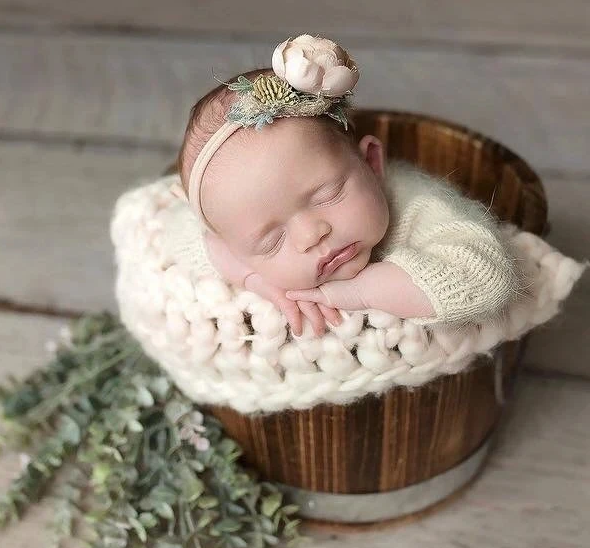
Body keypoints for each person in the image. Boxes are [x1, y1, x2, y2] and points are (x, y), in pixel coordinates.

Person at [166, 34, 521, 338]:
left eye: (328, 195)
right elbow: (193, 237)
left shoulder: (417, 208)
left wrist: (360, 292)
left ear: (371, 163)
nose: (311, 235)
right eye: (271, 241)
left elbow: (485, 277)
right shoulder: (231, 235)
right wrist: (258, 281)